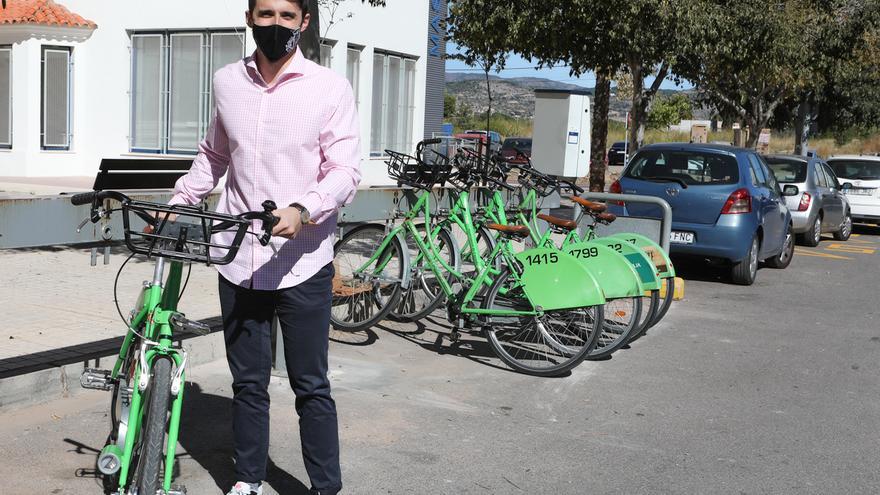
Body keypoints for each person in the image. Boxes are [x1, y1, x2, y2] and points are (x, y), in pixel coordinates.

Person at [167, 0, 361, 493]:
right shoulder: (227, 81)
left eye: (287, 16)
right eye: (266, 14)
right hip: (238, 256)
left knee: (311, 386)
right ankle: (248, 480)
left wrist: (306, 208)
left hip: (303, 261)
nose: (276, 25)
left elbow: (344, 170)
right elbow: (214, 154)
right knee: (247, 384)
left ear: (304, 22)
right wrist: (179, 201)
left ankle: (324, 487)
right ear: (250, 18)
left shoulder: (329, 87)